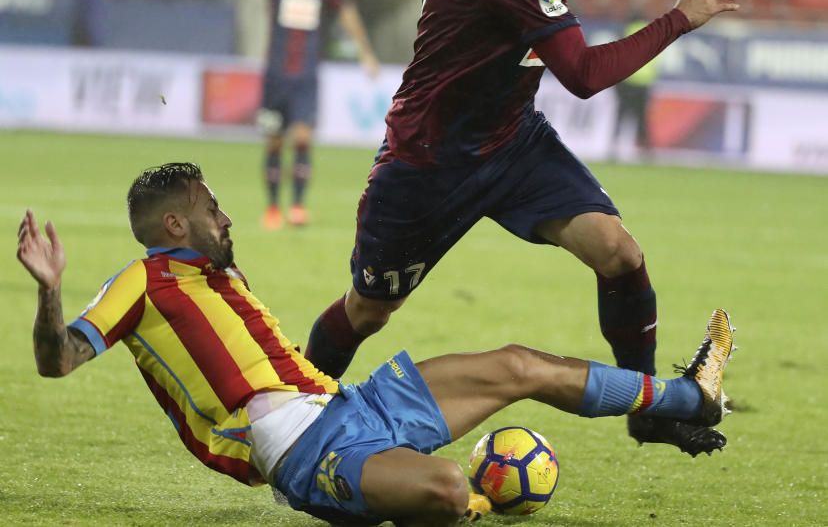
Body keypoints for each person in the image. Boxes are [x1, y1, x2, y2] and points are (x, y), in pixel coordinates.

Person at [302, 0, 740, 457]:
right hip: (430, 163)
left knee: (618, 252)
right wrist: (678, 19)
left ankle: (646, 407)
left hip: (511, 141)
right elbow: (583, 76)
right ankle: (295, 412)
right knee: (368, 311)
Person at [17, 162, 734, 526]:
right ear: (175, 225)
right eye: (211, 207)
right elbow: (58, 360)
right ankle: (389, 498)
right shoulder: (139, 283)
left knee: (519, 364)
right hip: (304, 451)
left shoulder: (217, 272)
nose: (226, 214)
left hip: (347, 406)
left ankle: (690, 398)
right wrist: (50, 291)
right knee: (451, 490)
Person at [197, 0, 380, 229]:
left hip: (306, 77)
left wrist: (365, 51)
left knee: (303, 138)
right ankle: (272, 208)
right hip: (276, 76)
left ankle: (297, 206)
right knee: (273, 142)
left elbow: (346, 11)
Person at [611, 16, 659, 160]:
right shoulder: (653, 32)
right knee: (642, 118)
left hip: (628, 82)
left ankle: (614, 147)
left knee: (622, 116)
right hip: (645, 83)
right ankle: (645, 150)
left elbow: (617, 55)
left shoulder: (627, 30)